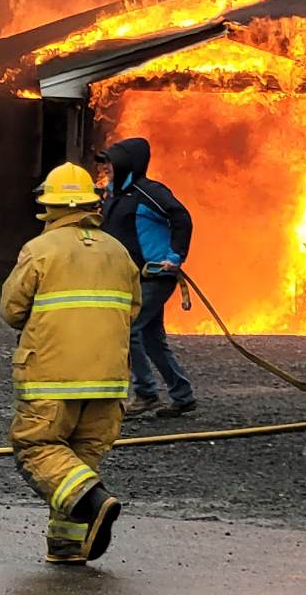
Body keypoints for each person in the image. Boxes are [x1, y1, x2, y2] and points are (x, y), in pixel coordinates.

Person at [0, 163, 139, 565]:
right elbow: (132, 310)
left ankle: (94, 504)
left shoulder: (39, 250)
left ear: (49, 206)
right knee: (77, 461)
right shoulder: (118, 251)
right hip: (109, 382)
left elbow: (11, 310)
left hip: (51, 378)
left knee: (38, 447)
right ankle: (67, 543)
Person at [96, 138, 195, 418]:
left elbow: (181, 217)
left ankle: (146, 394)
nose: (106, 168)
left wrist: (175, 257)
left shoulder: (148, 192)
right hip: (132, 277)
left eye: (110, 162)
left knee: (129, 328)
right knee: (151, 337)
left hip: (154, 275)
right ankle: (182, 394)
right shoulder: (114, 195)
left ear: (127, 164)